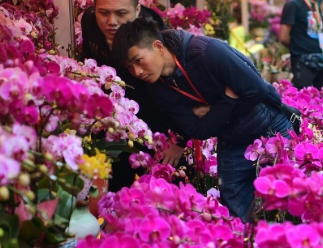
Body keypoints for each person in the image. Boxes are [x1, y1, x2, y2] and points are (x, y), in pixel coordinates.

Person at [111, 18, 293, 221]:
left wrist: (214, 112)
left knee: (288, 198)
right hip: (231, 136)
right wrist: (228, 100)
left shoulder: (206, 51)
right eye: (129, 67)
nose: (137, 72)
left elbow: (256, 90)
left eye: (138, 60)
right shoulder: (157, 88)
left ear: (158, 46)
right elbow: (198, 130)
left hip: (269, 125)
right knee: (234, 207)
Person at [80, 0, 186, 192]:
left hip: (157, 116)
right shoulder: (89, 23)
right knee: (115, 190)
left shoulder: (157, 35)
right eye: (103, 12)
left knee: (167, 191)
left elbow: (182, 89)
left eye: (121, 13)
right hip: (112, 122)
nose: (111, 21)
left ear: (137, 11)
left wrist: (180, 143)